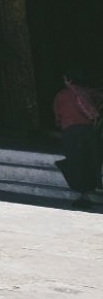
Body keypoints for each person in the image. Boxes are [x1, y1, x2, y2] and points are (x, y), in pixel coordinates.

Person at [53, 68, 102, 210]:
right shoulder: (87, 92)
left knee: (76, 162)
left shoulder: (61, 95)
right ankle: (95, 185)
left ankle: (82, 195)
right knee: (90, 159)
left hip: (71, 132)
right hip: (88, 131)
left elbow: (58, 118)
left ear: (68, 80)